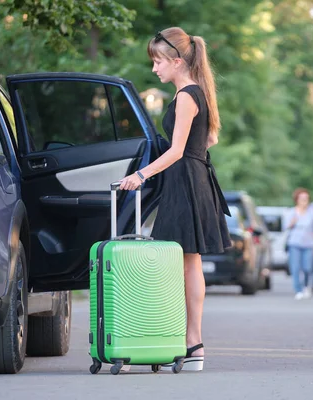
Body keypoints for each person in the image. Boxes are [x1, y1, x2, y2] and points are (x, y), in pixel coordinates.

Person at [118, 27, 231, 372]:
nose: (154, 69)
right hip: (194, 179)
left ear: (177, 61)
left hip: (186, 181)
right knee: (187, 262)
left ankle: (191, 343)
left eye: (158, 61)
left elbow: (177, 151)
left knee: (183, 262)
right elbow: (208, 139)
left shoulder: (185, 96)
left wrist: (140, 175)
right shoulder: (199, 93)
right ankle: (190, 343)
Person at [284, 188, 313, 300]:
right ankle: (298, 290)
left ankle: (305, 286)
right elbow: (285, 227)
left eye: (306, 198)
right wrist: (292, 223)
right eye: (302, 198)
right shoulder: (291, 212)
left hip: (309, 244)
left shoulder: (312, 213)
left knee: (307, 267)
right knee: (295, 268)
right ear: (297, 200)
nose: (304, 201)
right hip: (294, 243)